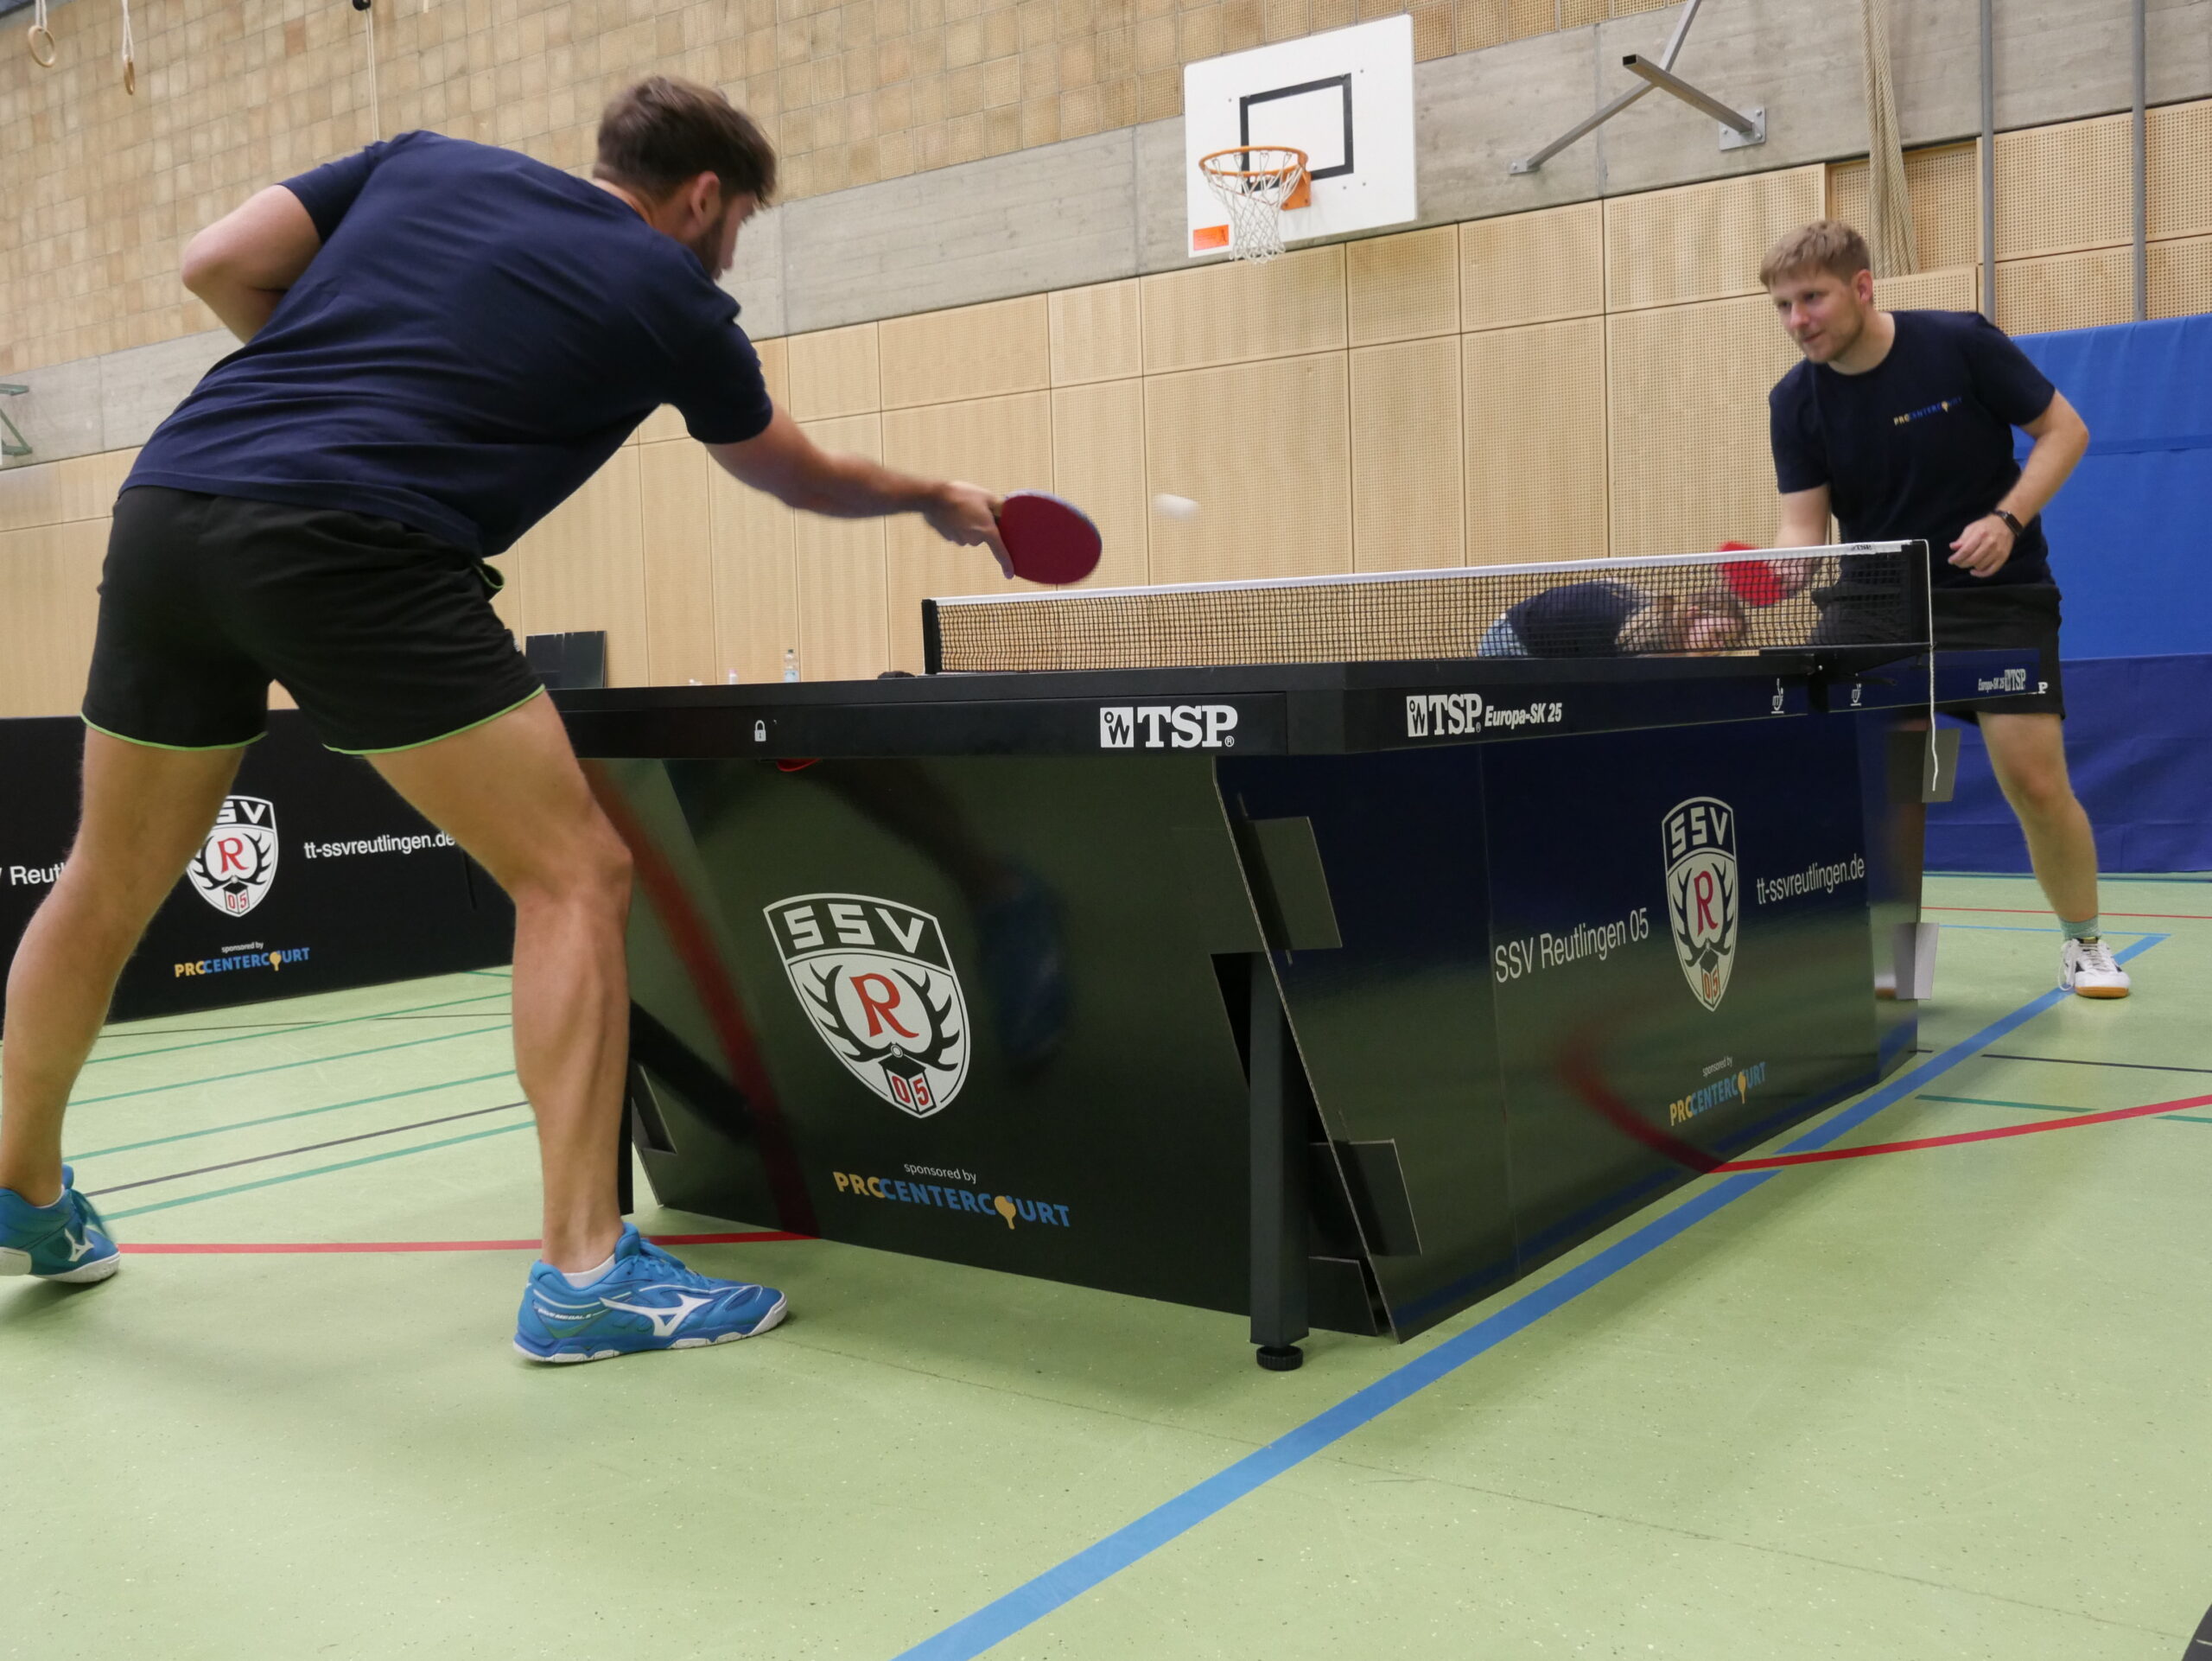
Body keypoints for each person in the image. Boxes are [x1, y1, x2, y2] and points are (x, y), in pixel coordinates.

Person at [0, 78, 1014, 1358]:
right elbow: (791, 472)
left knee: (105, 880)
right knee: (573, 873)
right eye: (742, 220)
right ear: (703, 196)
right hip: (358, 543)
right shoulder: (676, 297)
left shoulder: (423, 162)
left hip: (173, 504)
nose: (735, 247)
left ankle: (22, 1189)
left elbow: (217, 262)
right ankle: (588, 1272)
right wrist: (931, 492)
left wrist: (328, 378)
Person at [1762, 219, 2126, 999]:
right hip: (1875, 601)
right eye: (1785, 306)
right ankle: (1901, 966)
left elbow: (2066, 431)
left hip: (1993, 593)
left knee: (2033, 782)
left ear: (1862, 287)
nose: (1799, 321)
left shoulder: (1957, 344)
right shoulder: (1795, 401)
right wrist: (1791, 563)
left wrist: (2008, 519)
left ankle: (2084, 943)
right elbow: (1803, 524)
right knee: (1892, 787)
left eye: (1812, 299)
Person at [1478, 579, 1747, 658]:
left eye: (1727, 643)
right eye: (1718, 635)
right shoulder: (1643, 633)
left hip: (1547, 647)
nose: (1719, 647)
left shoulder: (1662, 621)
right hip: (1513, 643)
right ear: (1693, 614)